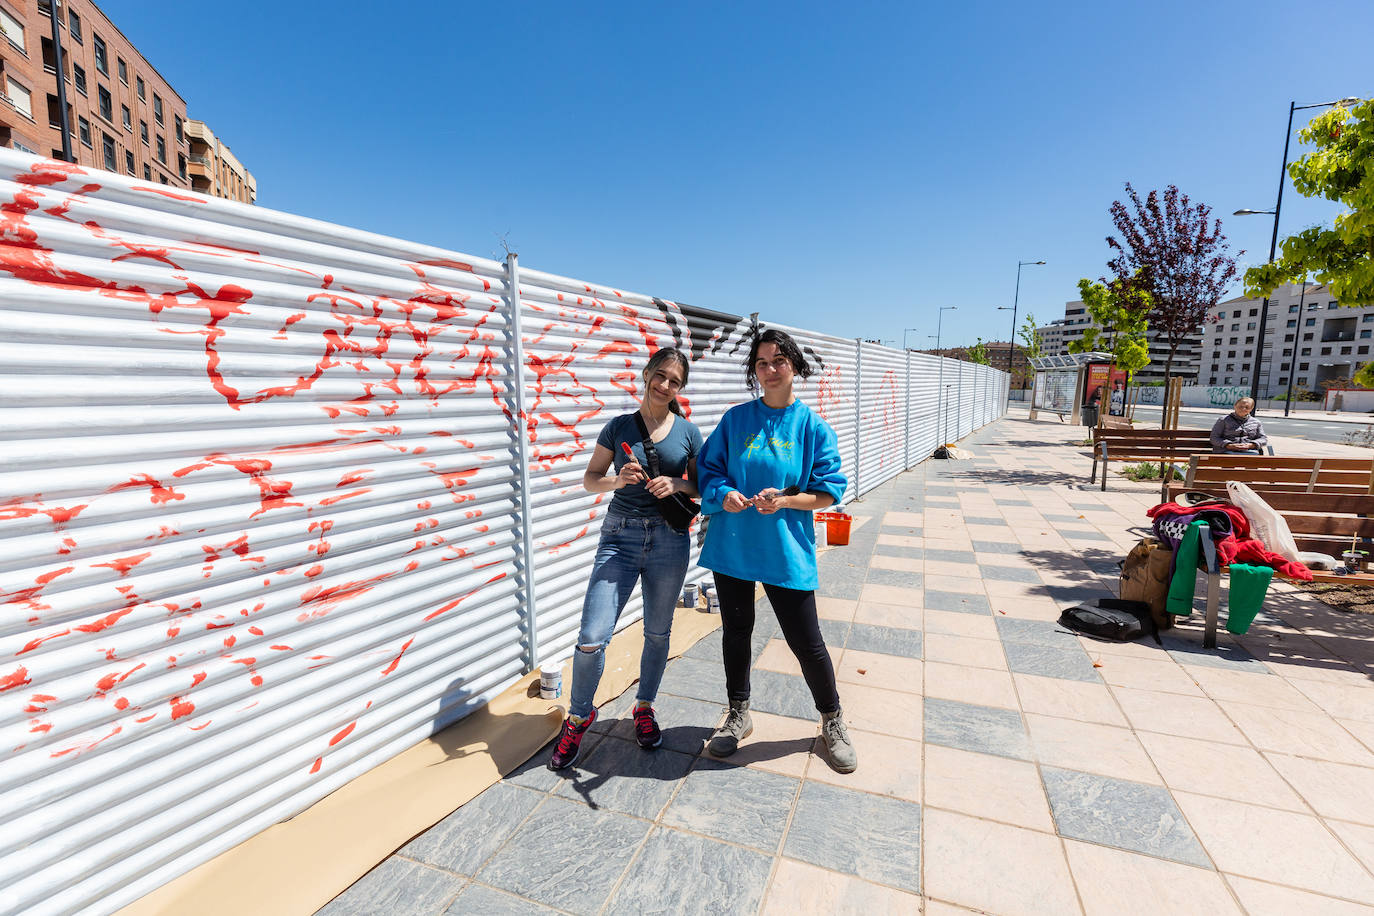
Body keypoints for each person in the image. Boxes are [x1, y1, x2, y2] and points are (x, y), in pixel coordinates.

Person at [695, 328, 856, 773]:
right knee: (736, 631)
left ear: (795, 367)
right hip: (733, 545)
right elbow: (708, 471)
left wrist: (784, 501)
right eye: (761, 363)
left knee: (806, 641)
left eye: (778, 361)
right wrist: (724, 492)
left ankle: (832, 719)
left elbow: (828, 492)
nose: (769, 370)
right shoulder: (735, 420)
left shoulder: (811, 427)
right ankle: (738, 714)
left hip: (785, 548)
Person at [548, 348, 703, 770]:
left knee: (657, 633)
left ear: (680, 388)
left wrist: (675, 483)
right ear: (647, 374)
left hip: (670, 540)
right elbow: (589, 480)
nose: (666, 385)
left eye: (675, 381)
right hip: (620, 537)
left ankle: (644, 707)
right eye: (661, 376)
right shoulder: (618, 427)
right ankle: (579, 716)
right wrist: (618, 479)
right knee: (592, 636)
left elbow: (700, 487)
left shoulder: (688, 432)